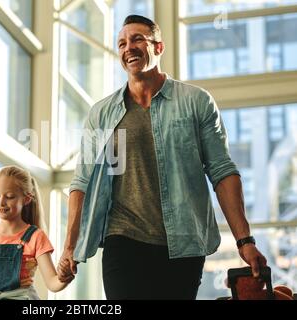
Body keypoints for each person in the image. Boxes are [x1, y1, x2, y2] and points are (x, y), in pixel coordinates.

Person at [57, 15, 267, 300]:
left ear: (158, 47)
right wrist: (70, 246)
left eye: (137, 39)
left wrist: (245, 241)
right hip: (123, 238)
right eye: (122, 43)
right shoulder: (101, 114)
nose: (128, 47)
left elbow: (221, 170)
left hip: (183, 241)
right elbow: (82, 181)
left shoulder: (196, 101)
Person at [0, 165, 73, 300]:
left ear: (26, 199)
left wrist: (64, 276)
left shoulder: (35, 237)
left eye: (9, 196)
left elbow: (52, 283)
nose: (1, 202)